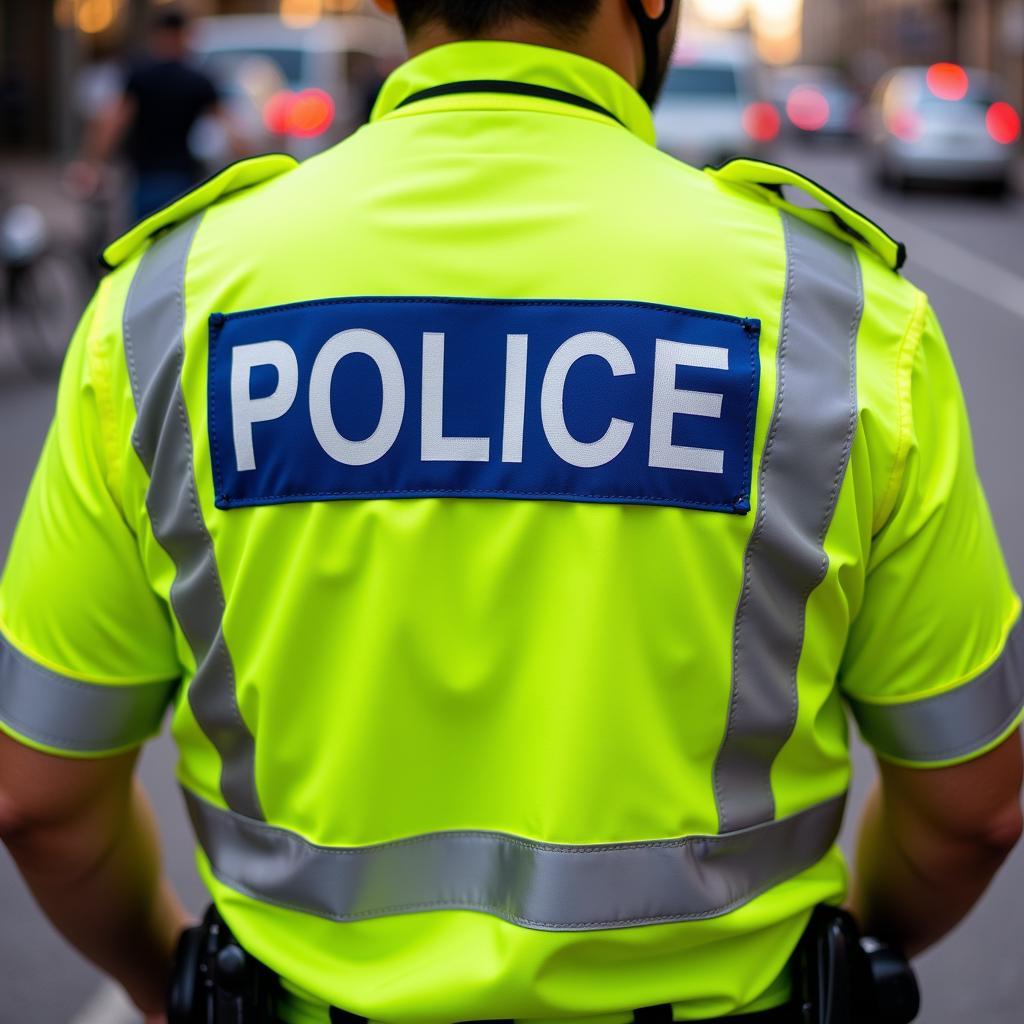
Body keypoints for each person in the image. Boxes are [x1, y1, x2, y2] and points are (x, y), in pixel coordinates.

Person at [0, 2, 1022, 1022]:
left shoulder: (167, 304)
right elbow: (972, 807)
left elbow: (40, 798)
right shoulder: (836, 317)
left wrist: (157, 978)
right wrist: (856, 954)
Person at [74, 5, 236, 223]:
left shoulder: (140, 76)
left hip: (145, 178)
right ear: (184, 36)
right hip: (183, 178)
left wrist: (93, 162)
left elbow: (113, 123)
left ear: (157, 36)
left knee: (142, 241)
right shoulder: (198, 80)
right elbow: (232, 129)